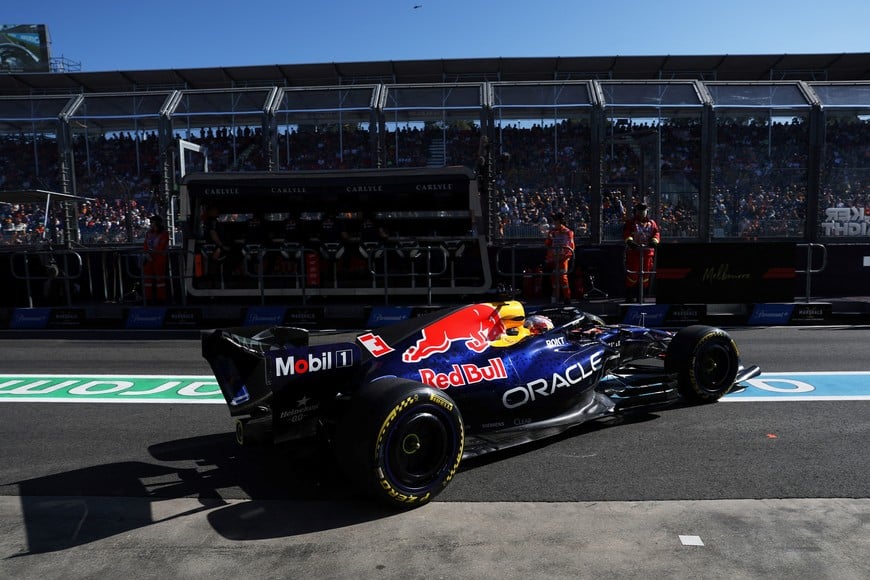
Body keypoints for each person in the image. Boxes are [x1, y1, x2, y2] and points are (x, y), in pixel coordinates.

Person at [623, 203, 661, 302]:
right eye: (639, 210)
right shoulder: (631, 222)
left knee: (645, 276)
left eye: (644, 210)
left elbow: (656, 233)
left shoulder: (652, 223)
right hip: (634, 252)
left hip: (647, 253)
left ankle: (642, 297)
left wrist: (654, 241)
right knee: (632, 275)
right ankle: (630, 297)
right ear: (636, 211)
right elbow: (627, 232)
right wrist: (630, 241)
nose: (642, 212)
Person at [544, 212, 575, 303]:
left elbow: (571, 247)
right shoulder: (552, 232)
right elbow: (547, 244)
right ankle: (554, 297)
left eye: (556, 221)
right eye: (554, 222)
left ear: (561, 222)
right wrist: (549, 239)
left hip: (563, 259)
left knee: (563, 278)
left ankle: (567, 297)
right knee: (553, 277)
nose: (554, 223)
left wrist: (564, 257)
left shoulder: (568, 232)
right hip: (553, 259)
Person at [143, 214, 170, 302]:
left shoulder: (164, 234)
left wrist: (153, 256)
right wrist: (147, 255)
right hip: (149, 259)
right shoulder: (148, 233)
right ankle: (148, 298)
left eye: (152, 222)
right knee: (147, 278)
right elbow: (146, 245)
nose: (150, 224)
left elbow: (162, 246)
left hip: (159, 259)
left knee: (160, 279)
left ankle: (161, 298)